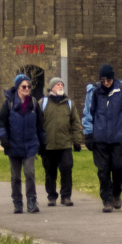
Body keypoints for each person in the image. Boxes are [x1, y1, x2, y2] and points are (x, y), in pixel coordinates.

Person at [82, 64, 122, 212]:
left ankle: (116, 194)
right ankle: (107, 200)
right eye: (103, 80)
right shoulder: (94, 92)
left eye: (108, 80)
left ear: (113, 78)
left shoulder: (121, 89)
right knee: (103, 171)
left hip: (118, 137)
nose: (106, 83)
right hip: (100, 138)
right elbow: (88, 113)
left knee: (118, 167)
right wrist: (88, 134)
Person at [0, 74, 46, 214]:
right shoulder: (9, 104)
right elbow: (1, 123)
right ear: (17, 88)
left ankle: (32, 201)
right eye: (24, 86)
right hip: (13, 145)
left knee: (29, 173)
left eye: (29, 87)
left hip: (30, 145)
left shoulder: (34, 104)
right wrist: (4, 138)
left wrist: (42, 143)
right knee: (16, 177)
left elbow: (40, 126)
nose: (27, 89)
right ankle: (17, 202)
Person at [40, 77, 84, 207]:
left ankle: (66, 196)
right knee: (50, 171)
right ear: (52, 87)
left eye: (61, 84)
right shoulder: (43, 103)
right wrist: (39, 143)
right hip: (48, 144)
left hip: (65, 144)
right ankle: (51, 196)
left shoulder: (69, 103)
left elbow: (75, 123)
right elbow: (38, 124)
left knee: (66, 169)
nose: (60, 86)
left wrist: (77, 141)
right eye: (57, 84)